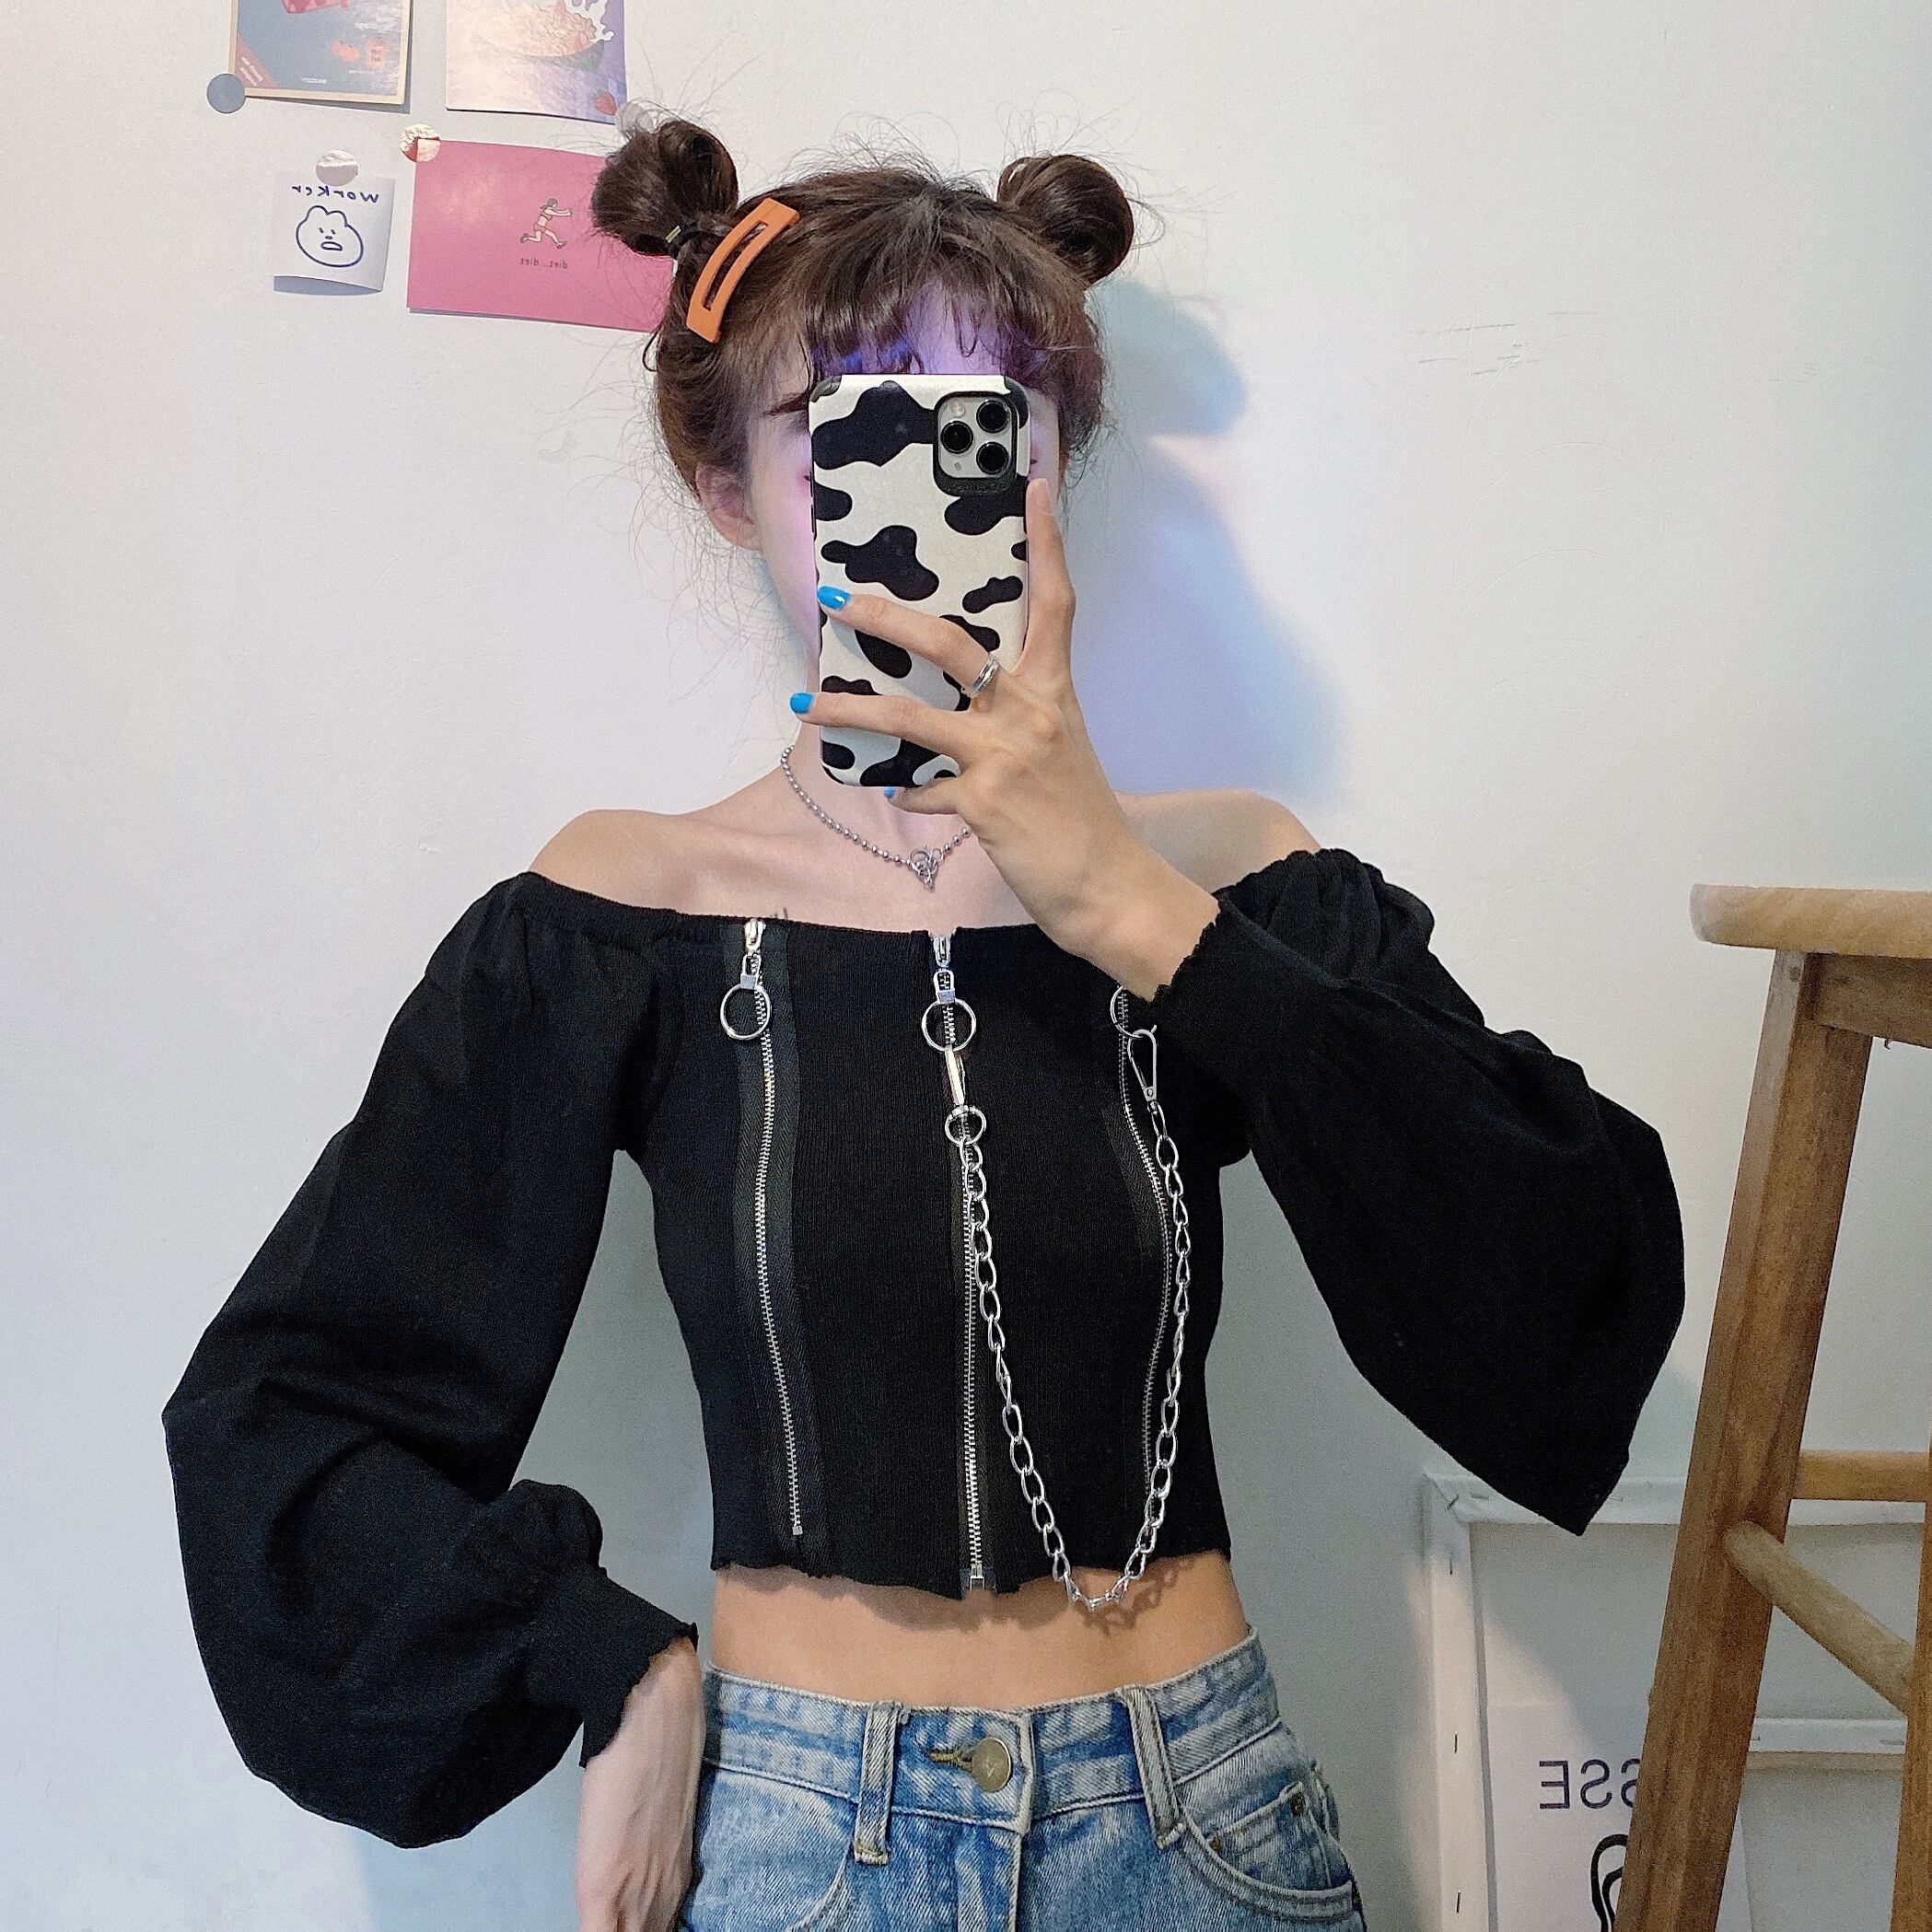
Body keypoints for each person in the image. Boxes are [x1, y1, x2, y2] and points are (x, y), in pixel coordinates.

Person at [161, 112, 1686, 1932]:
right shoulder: (615, 920)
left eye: (990, 423)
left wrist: (1135, 907)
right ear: (727, 484)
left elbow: (1557, 1291)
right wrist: (605, 1658)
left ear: (1055, 463)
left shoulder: (1231, 883)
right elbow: (281, 1408)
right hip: (799, 1837)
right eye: (842, 426)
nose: (926, 484)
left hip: (1201, 1819)